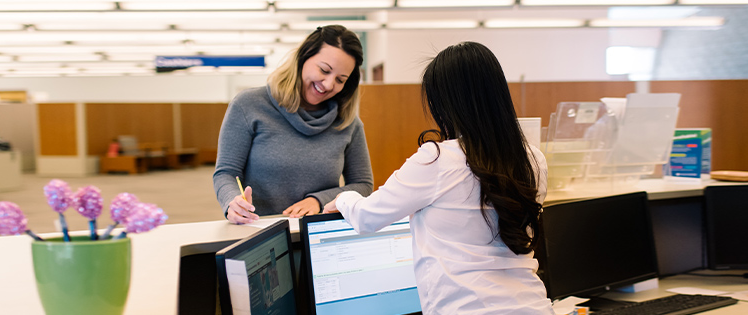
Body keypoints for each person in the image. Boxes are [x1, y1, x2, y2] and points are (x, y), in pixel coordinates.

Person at [325, 42, 553, 314]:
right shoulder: (533, 159)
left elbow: (367, 216)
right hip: (533, 305)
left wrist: (344, 198)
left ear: (446, 104)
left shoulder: (438, 159)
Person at [213, 25, 374, 224]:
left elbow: (363, 185)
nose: (329, 85)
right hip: (260, 233)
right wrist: (232, 202)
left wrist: (319, 200)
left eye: (340, 80)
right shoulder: (249, 105)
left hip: (319, 235)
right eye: (324, 70)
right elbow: (226, 172)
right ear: (302, 59)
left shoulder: (348, 123)